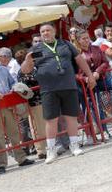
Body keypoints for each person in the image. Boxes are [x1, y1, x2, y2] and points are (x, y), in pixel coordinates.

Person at [21, 23, 96, 164]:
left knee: (71, 117)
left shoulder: (65, 44)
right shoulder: (35, 49)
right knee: (51, 120)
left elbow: (79, 59)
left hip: (68, 85)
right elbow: (25, 70)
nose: (45, 33)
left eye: (48, 30)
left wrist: (90, 75)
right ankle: (51, 150)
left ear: (54, 31)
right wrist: (27, 60)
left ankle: (74, 145)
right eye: (42, 31)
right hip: (48, 89)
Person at [77, 31, 112, 135]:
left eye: (87, 37)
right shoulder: (76, 54)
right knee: (96, 106)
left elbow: (105, 62)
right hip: (88, 84)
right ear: (78, 40)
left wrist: (97, 71)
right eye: (83, 38)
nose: (86, 40)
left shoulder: (96, 48)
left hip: (102, 79)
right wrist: (86, 78)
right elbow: (75, 73)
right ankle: (104, 131)